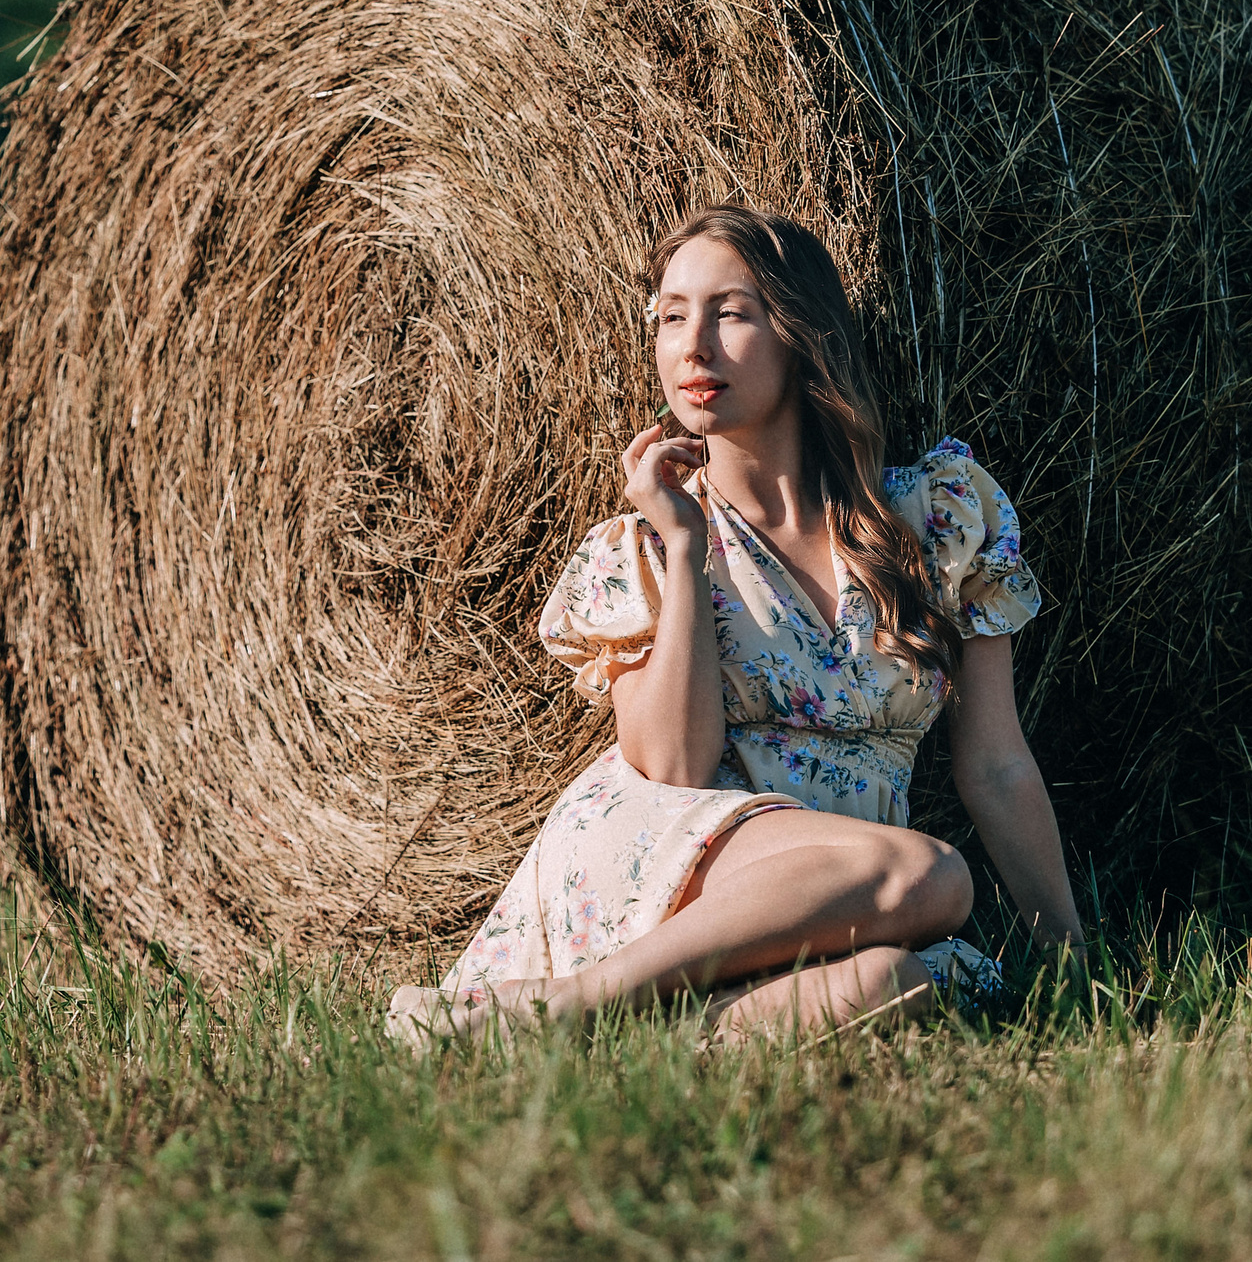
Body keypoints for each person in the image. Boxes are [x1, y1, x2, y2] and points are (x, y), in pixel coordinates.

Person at [388, 205, 1086, 1044]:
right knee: (930, 873)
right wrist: (683, 548)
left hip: (840, 905)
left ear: (801, 332)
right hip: (668, 862)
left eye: (730, 312)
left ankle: (607, 1041)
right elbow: (670, 768)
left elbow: (998, 764)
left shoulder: (935, 520)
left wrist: (1072, 963)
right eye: (673, 315)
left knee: (901, 982)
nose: (694, 346)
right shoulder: (646, 547)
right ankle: (563, 1003)